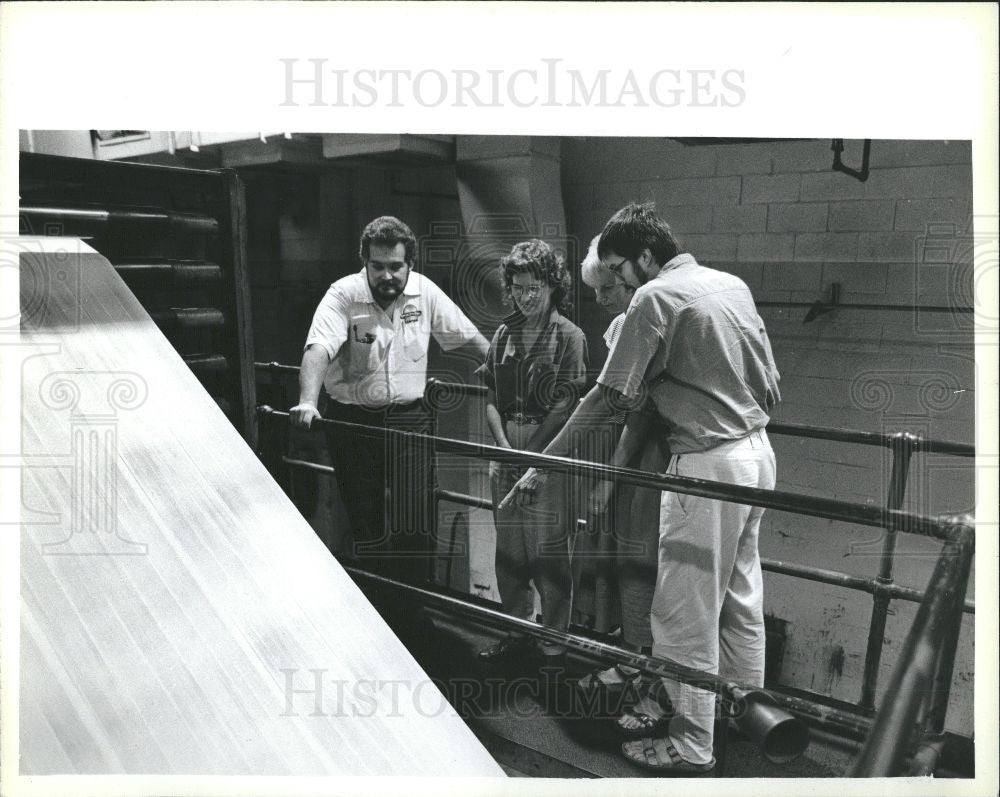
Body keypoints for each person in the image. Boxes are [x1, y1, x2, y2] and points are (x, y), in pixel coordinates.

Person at [501, 203, 780, 774]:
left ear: (646, 257)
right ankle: (745, 716)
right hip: (757, 454)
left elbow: (605, 400)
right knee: (740, 600)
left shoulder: (656, 298)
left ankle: (693, 743)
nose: (617, 285)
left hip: (706, 464)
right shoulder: (729, 285)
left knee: (684, 614)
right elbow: (771, 385)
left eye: (618, 270)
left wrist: (539, 467)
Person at [290, 215, 489, 590]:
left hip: (409, 418)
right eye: (377, 267)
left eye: (395, 267)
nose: (387, 276)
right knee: (366, 519)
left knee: (415, 516)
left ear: (409, 264)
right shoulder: (344, 295)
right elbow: (318, 347)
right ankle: (378, 609)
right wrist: (307, 401)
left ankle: (413, 611)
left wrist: (503, 373)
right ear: (364, 262)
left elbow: (468, 338)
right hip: (353, 421)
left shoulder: (424, 292)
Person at [475, 239, 588, 672]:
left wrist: (532, 456)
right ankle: (516, 631)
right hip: (506, 450)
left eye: (534, 288)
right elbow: (489, 393)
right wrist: (504, 447)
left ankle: (554, 648)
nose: (525, 296)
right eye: (518, 288)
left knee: (549, 554)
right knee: (510, 553)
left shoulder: (569, 336)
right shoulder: (504, 333)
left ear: (552, 287)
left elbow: (566, 404)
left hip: (550, 453)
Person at [573, 236, 669, 704]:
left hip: (643, 457)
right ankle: (629, 659)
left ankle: (648, 671)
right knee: (614, 555)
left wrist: (608, 479)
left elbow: (642, 413)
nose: (599, 297)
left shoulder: (646, 320)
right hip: (616, 452)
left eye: (607, 287)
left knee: (640, 557)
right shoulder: (620, 326)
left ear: (630, 283)